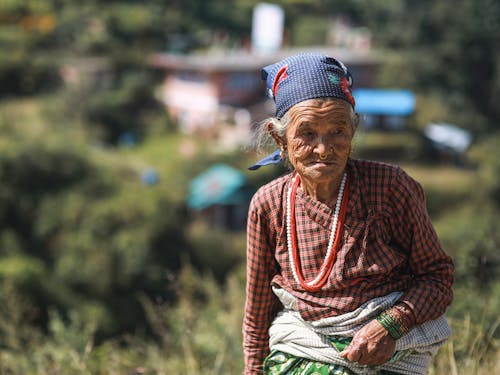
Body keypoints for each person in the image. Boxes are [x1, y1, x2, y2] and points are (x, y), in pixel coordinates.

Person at [243, 52, 454, 375]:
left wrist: (390, 325)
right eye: (307, 134)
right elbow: (258, 312)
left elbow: (437, 278)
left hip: (390, 350)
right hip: (302, 344)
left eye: (337, 131)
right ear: (280, 139)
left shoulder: (389, 187)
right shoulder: (268, 204)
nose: (324, 149)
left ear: (353, 132)